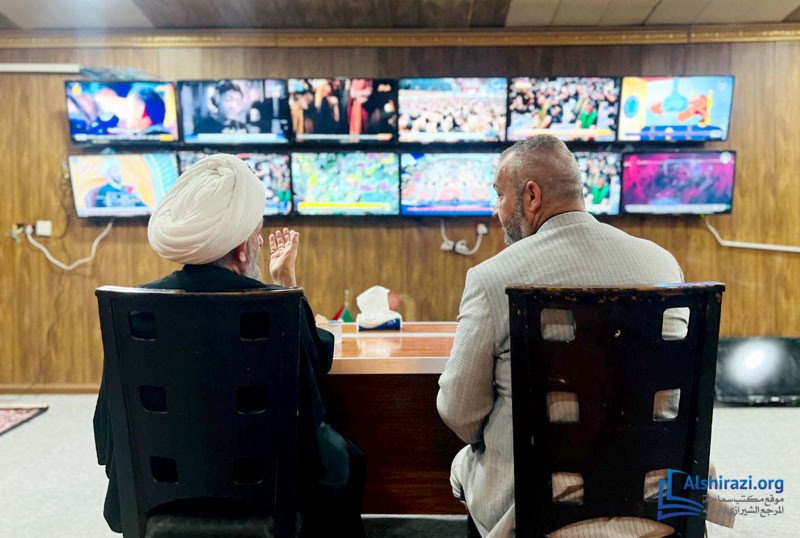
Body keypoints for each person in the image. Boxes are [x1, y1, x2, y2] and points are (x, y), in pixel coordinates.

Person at [437, 135, 732, 537]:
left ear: (532, 196)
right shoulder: (662, 264)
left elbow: (460, 412)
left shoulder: (491, 278)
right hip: (660, 504)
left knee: (466, 465)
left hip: (543, 514)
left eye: (499, 195)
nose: (496, 209)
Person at [93, 154, 365, 537]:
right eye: (257, 235)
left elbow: (105, 432)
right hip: (266, 491)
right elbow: (313, 387)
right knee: (344, 455)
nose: (259, 242)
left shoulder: (134, 312)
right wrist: (286, 285)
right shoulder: (278, 306)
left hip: (160, 492)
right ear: (242, 250)